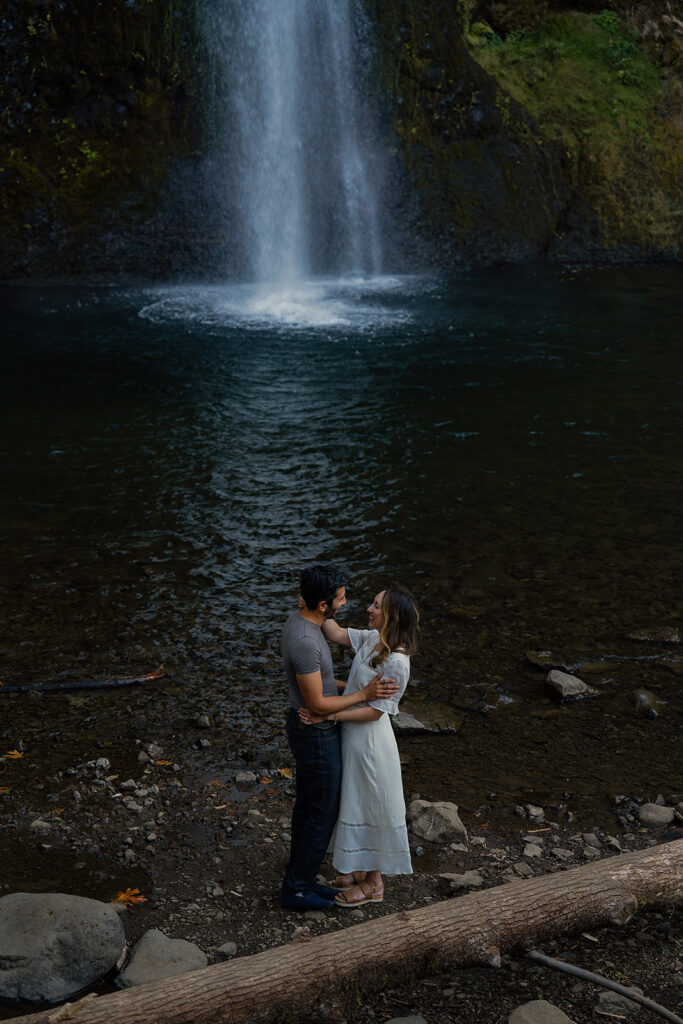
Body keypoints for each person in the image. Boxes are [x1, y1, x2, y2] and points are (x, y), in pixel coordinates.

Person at [281, 565, 400, 911]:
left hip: (313, 730)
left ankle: (297, 878)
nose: (347, 602)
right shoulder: (305, 641)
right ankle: (298, 889)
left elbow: (324, 680)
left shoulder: (306, 622)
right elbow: (317, 703)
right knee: (321, 811)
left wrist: (357, 691)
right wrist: (364, 694)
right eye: (341, 597)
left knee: (309, 806)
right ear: (322, 605)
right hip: (314, 732)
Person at [299, 585, 418, 907]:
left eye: (376, 606)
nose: (369, 609)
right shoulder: (371, 639)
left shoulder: (397, 661)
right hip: (351, 736)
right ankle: (358, 871)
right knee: (354, 800)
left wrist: (327, 714)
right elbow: (334, 632)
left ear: (390, 615)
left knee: (371, 804)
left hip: (370, 743)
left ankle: (375, 883)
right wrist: (314, 602)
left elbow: (377, 711)